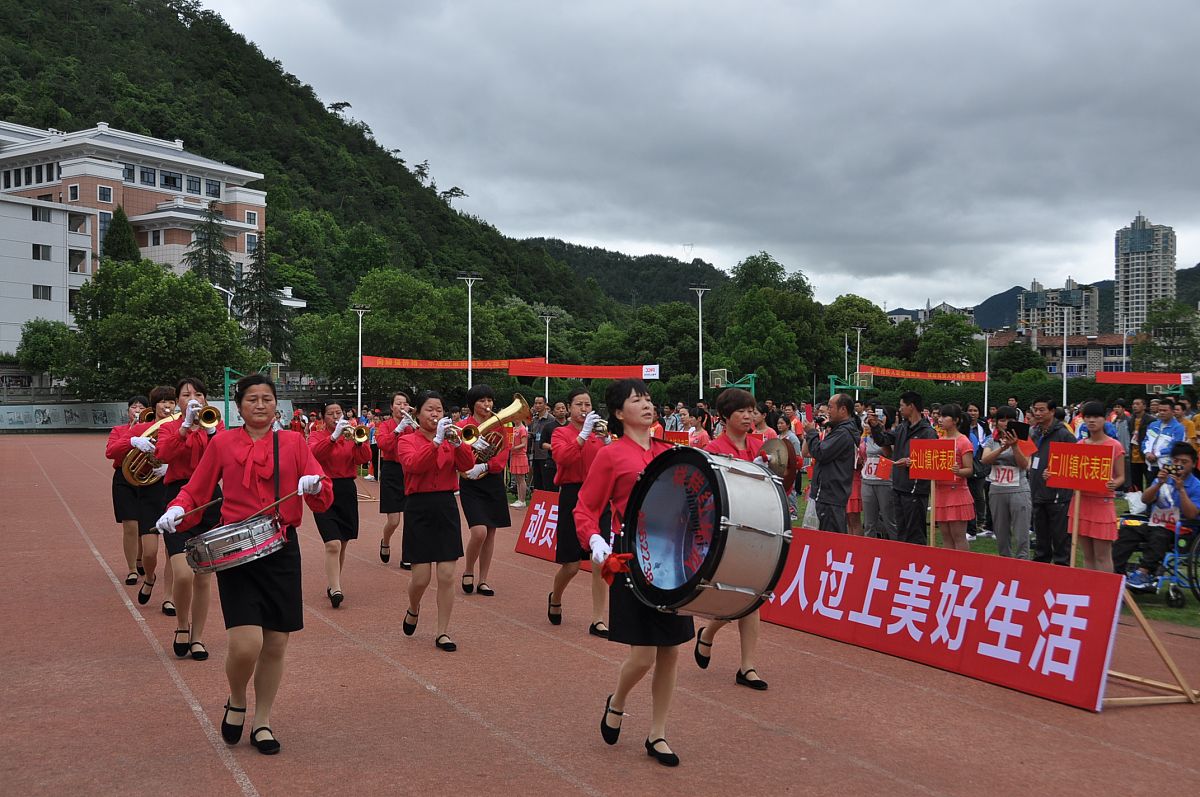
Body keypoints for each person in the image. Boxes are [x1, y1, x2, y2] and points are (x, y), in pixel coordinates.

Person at [156, 373, 333, 755]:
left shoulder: (293, 442)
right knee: (245, 643)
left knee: (275, 643)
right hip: (236, 551)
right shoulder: (221, 442)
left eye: (267, 398)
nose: (260, 405)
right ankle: (237, 697)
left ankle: (263, 719)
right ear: (238, 407)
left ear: (276, 405)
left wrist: (316, 486)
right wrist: (176, 509)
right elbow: (196, 490)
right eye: (252, 399)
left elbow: (321, 487)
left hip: (281, 548)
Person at [575, 379, 692, 767]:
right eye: (635, 400)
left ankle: (658, 733)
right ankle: (618, 700)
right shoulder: (610, 455)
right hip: (632, 559)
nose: (646, 405)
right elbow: (585, 508)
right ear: (618, 413)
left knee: (671, 652)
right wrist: (594, 541)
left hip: (672, 562)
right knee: (643, 656)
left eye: (648, 399)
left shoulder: (670, 453)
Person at [695, 388, 769, 690]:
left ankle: (747, 666)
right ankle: (709, 633)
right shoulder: (714, 447)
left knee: (753, 595)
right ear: (725, 416)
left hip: (758, 528)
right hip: (725, 531)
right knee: (734, 595)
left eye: (752, 410)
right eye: (742, 411)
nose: (749, 416)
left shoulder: (761, 446)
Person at [395, 390, 477, 651]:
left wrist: (456, 444)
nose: (435, 414)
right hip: (419, 507)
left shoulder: (450, 438)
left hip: (446, 505)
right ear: (417, 413)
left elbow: (467, 465)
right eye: (429, 409)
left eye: (439, 410)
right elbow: (413, 466)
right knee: (420, 578)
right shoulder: (407, 440)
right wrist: (435, 443)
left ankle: (443, 631)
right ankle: (413, 606)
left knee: (446, 574)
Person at [154, 377, 225, 660]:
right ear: (178, 401)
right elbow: (162, 454)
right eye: (185, 395)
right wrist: (184, 428)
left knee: (204, 577)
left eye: (198, 394)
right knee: (183, 574)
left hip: (209, 499)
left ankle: (197, 636)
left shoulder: (215, 426)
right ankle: (182, 625)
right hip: (177, 498)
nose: (192, 398)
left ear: (207, 400)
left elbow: (225, 459)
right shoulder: (170, 427)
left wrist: (208, 431)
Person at [548, 387, 612, 636]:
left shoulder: (599, 434)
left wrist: (608, 443)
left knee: (601, 560)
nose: (584, 409)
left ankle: (597, 619)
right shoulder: (560, 432)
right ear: (569, 407)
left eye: (588, 405)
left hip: (599, 497)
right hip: (573, 497)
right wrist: (582, 436)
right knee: (572, 565)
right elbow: (563, 458)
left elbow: (614, 463)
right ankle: (556, 596)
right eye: (579, 405)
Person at [308, 401, 371, 608]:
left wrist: (359, 442)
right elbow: (315, 455)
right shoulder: (317, 435)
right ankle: (336, 589)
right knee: (332, 543)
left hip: (346, 489)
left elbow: (364, 459)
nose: (336, 417)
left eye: (339, 413)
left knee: (342, 541)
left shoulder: (350, 435)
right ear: (323, 418)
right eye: (331, 414)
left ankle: (333, 583)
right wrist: (333, 438)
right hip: (324, 488)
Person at [1120, 442, 1200, 591]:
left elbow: (1192, 514)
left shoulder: (1196, 486)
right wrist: (1158, 484)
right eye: (1175, 461)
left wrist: (1181, 490)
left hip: (1183, 529)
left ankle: (1144, 573)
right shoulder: (1164, 478)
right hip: (1157, 523)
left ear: (1193, 464)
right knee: (1128, 530)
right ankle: (1115, 572)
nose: (1179, 465)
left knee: (1159, 534)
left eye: (1184, 462)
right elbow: (1145, 499)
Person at [457, 384, 513, 597]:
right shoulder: (463, 425)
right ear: (472, 404)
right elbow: (456, 450)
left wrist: (488, 465)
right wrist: (470, 454)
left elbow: (504, 450)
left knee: (491, 533)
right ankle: (469, 569)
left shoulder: (499, 425)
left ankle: (483, 580)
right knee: (479, 531)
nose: (487, 404)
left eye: (489, 400)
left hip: (492, 480)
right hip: (471, 482)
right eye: (482, 400)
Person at [127, 385, 178, 614]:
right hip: (149, 492)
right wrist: (134, 441)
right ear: (154, 405)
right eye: (162, 402)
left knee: (173, 551)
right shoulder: (144, 427)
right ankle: (149, 577)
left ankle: (169, 597)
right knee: (149, 552)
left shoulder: (181, 428)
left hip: (173, 491)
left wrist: (170, 466)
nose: (167, 406)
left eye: (171, 402)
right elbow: (115, 450)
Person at [867, 391, 937, 545]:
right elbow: (884, 440)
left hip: (915, 490)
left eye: (901, 406)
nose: (899, 409)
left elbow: (932, 461)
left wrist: (912, 461)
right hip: (898, 486)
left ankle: (917, 565)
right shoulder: (902, 428)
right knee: (901, 531)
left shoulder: (928, 432)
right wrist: (874, 427)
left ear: (911, 406)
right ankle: (904, 564)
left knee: (915, 532)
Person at [1068, 400, 1125, 573]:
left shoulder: (1114, 446)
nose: (1092, 421)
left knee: (1102, 555)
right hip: (1081, 502)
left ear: (1104, 419)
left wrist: (1114, 483)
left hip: (1102, 504)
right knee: (1088, 555)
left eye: (1096, 417)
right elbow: (1071, 474)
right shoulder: (1080, 445)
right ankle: (1090, 593)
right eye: (1088, 417)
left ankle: (1106, 593)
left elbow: (1121, 476)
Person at [1028, 397, 1077, 566]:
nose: (1038, 413)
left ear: (1052, 412)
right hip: (1037, 493)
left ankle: (1062, 572)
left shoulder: (1063, 434)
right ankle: (1040, 570)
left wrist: (1058, 472)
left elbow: (1075, 463)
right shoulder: (1034, 432)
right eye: (1036, 409)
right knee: (1041, 538)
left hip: (1058, 496)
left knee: (1060, 539)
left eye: (1042, 410)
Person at [106, 394, 150, 586]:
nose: (137, 410)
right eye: (134, 407)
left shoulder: (153, 429)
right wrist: (131, 436)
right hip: (124, 478)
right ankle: (132, 568)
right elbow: (111, 452)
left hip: (147, 478)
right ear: (128, 411)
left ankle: (140, 558)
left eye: (141, 407)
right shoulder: (119, 430)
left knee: (145, 525)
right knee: (130, 525)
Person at [979, 406, 1031, 558]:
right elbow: (985, 460)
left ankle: (1022, 564)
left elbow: (1025, 465)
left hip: (1019, 489)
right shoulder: (991, 440)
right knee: (1001, 533)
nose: (1006, 423)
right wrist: (1002, 448)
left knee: (1021, 534)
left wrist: (1014, 446)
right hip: (997, 490)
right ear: (996, 422)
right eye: (1002, 420)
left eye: (1010, 420)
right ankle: (1005, 563)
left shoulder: (1024, 440)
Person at [803, 394, 859, 534]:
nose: (827, 411)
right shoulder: (841, 430)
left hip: (830, 496)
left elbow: (820, 452)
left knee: (829, 539)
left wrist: (811, 432)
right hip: (830, 494)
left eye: (830, 407)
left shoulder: (843, 433)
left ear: (843, 410)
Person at [376, 392, 418, 569]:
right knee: (394, 521)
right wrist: (398, 429)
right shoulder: (385, 425)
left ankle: (407, 555)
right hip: (391, 471)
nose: (402, 407)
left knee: (411, 518)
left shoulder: (412, 426)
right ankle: (385, 541)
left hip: (409, 472)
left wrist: (415, 427)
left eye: (405, 403)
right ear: (392, 406)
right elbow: (382, 444)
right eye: (398, 403)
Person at [932, 404, 975, 551]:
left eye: (944, 416)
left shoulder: (963, 441)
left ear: (956, 420)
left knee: (958, 536)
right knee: (946, 536)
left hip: (957, 493)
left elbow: (969, 469)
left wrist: (958, 471)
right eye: (940, 416)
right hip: (941, 492)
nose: (940, 419)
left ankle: (962, 568)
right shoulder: (939, 440)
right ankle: (949, 569)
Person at [860, 406, 897, 540]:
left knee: (889, 520)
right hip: (868, 480)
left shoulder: (890, 435)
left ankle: (896, 549)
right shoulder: (865, 438)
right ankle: (869, 551)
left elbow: (888, 454)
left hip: (885, 481)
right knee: (869, 522)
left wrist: (879, 432)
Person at [1143, 397, 1187, 481]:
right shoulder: (1153, 425)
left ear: (1173, 412)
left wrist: (1156, 454)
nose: (1162, 413)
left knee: (1168, 490)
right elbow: (1145, 440)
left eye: (1165, 410)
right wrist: (1147, 453)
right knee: (1151, 489)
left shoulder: (1178, 428)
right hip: (1151, 464)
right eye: (1160, 410)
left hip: (1169, 465)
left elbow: (1175, 447)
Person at [965, 402, 991, 537]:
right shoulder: (963, 427)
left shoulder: (984, 427)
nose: (972, 413)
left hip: (980, 464)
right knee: (967, 495)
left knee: (979, 495)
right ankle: (969, 521)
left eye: (975, 410)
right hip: (967, 463)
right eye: (970, 410)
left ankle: (981, 520)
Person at [529, 395, 559, 492]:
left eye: (540, 403)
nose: (537, 405)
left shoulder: (551, 419)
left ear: (545, 405)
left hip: (546, 456)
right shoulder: (534, 419)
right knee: (537, 483)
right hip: (535, 454)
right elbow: (534, 434)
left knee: (547, 483)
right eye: (536, 403)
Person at [1128, 397, 1151, 491]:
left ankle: (1149, 502)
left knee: (1149, 481)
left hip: (1145, 455)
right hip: (1133, 455)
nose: (1135, 406)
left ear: (1144, 406)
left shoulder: (1150, 420)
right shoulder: (1130, 420)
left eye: (1138, 404)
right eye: (1133, 404)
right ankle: (1138, 503)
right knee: (1136, 483)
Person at [508, 417, 531, 507]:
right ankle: (519, 499)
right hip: (514, 455)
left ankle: (522, 500)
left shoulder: (522, 429)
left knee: (521, 479)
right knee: (517, 479)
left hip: (520, 455)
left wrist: (514, 448)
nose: (514, 419)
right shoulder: (513, 429)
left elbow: (524, 444)